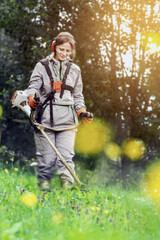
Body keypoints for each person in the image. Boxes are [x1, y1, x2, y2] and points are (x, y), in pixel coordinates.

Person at [27, 32, 93, 191]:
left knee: (66, 157)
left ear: (72, 51)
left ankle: (67, 189)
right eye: (61, 49)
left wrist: (82, 112)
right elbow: (33, 87)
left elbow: (78, 96)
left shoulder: (75, 70)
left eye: (67, 51)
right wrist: (31, 98)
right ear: (54, 47)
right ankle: (44, 189)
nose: (64, 53)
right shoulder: (42, 66)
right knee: (46, 159)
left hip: (67, 122)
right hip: (44, 121)